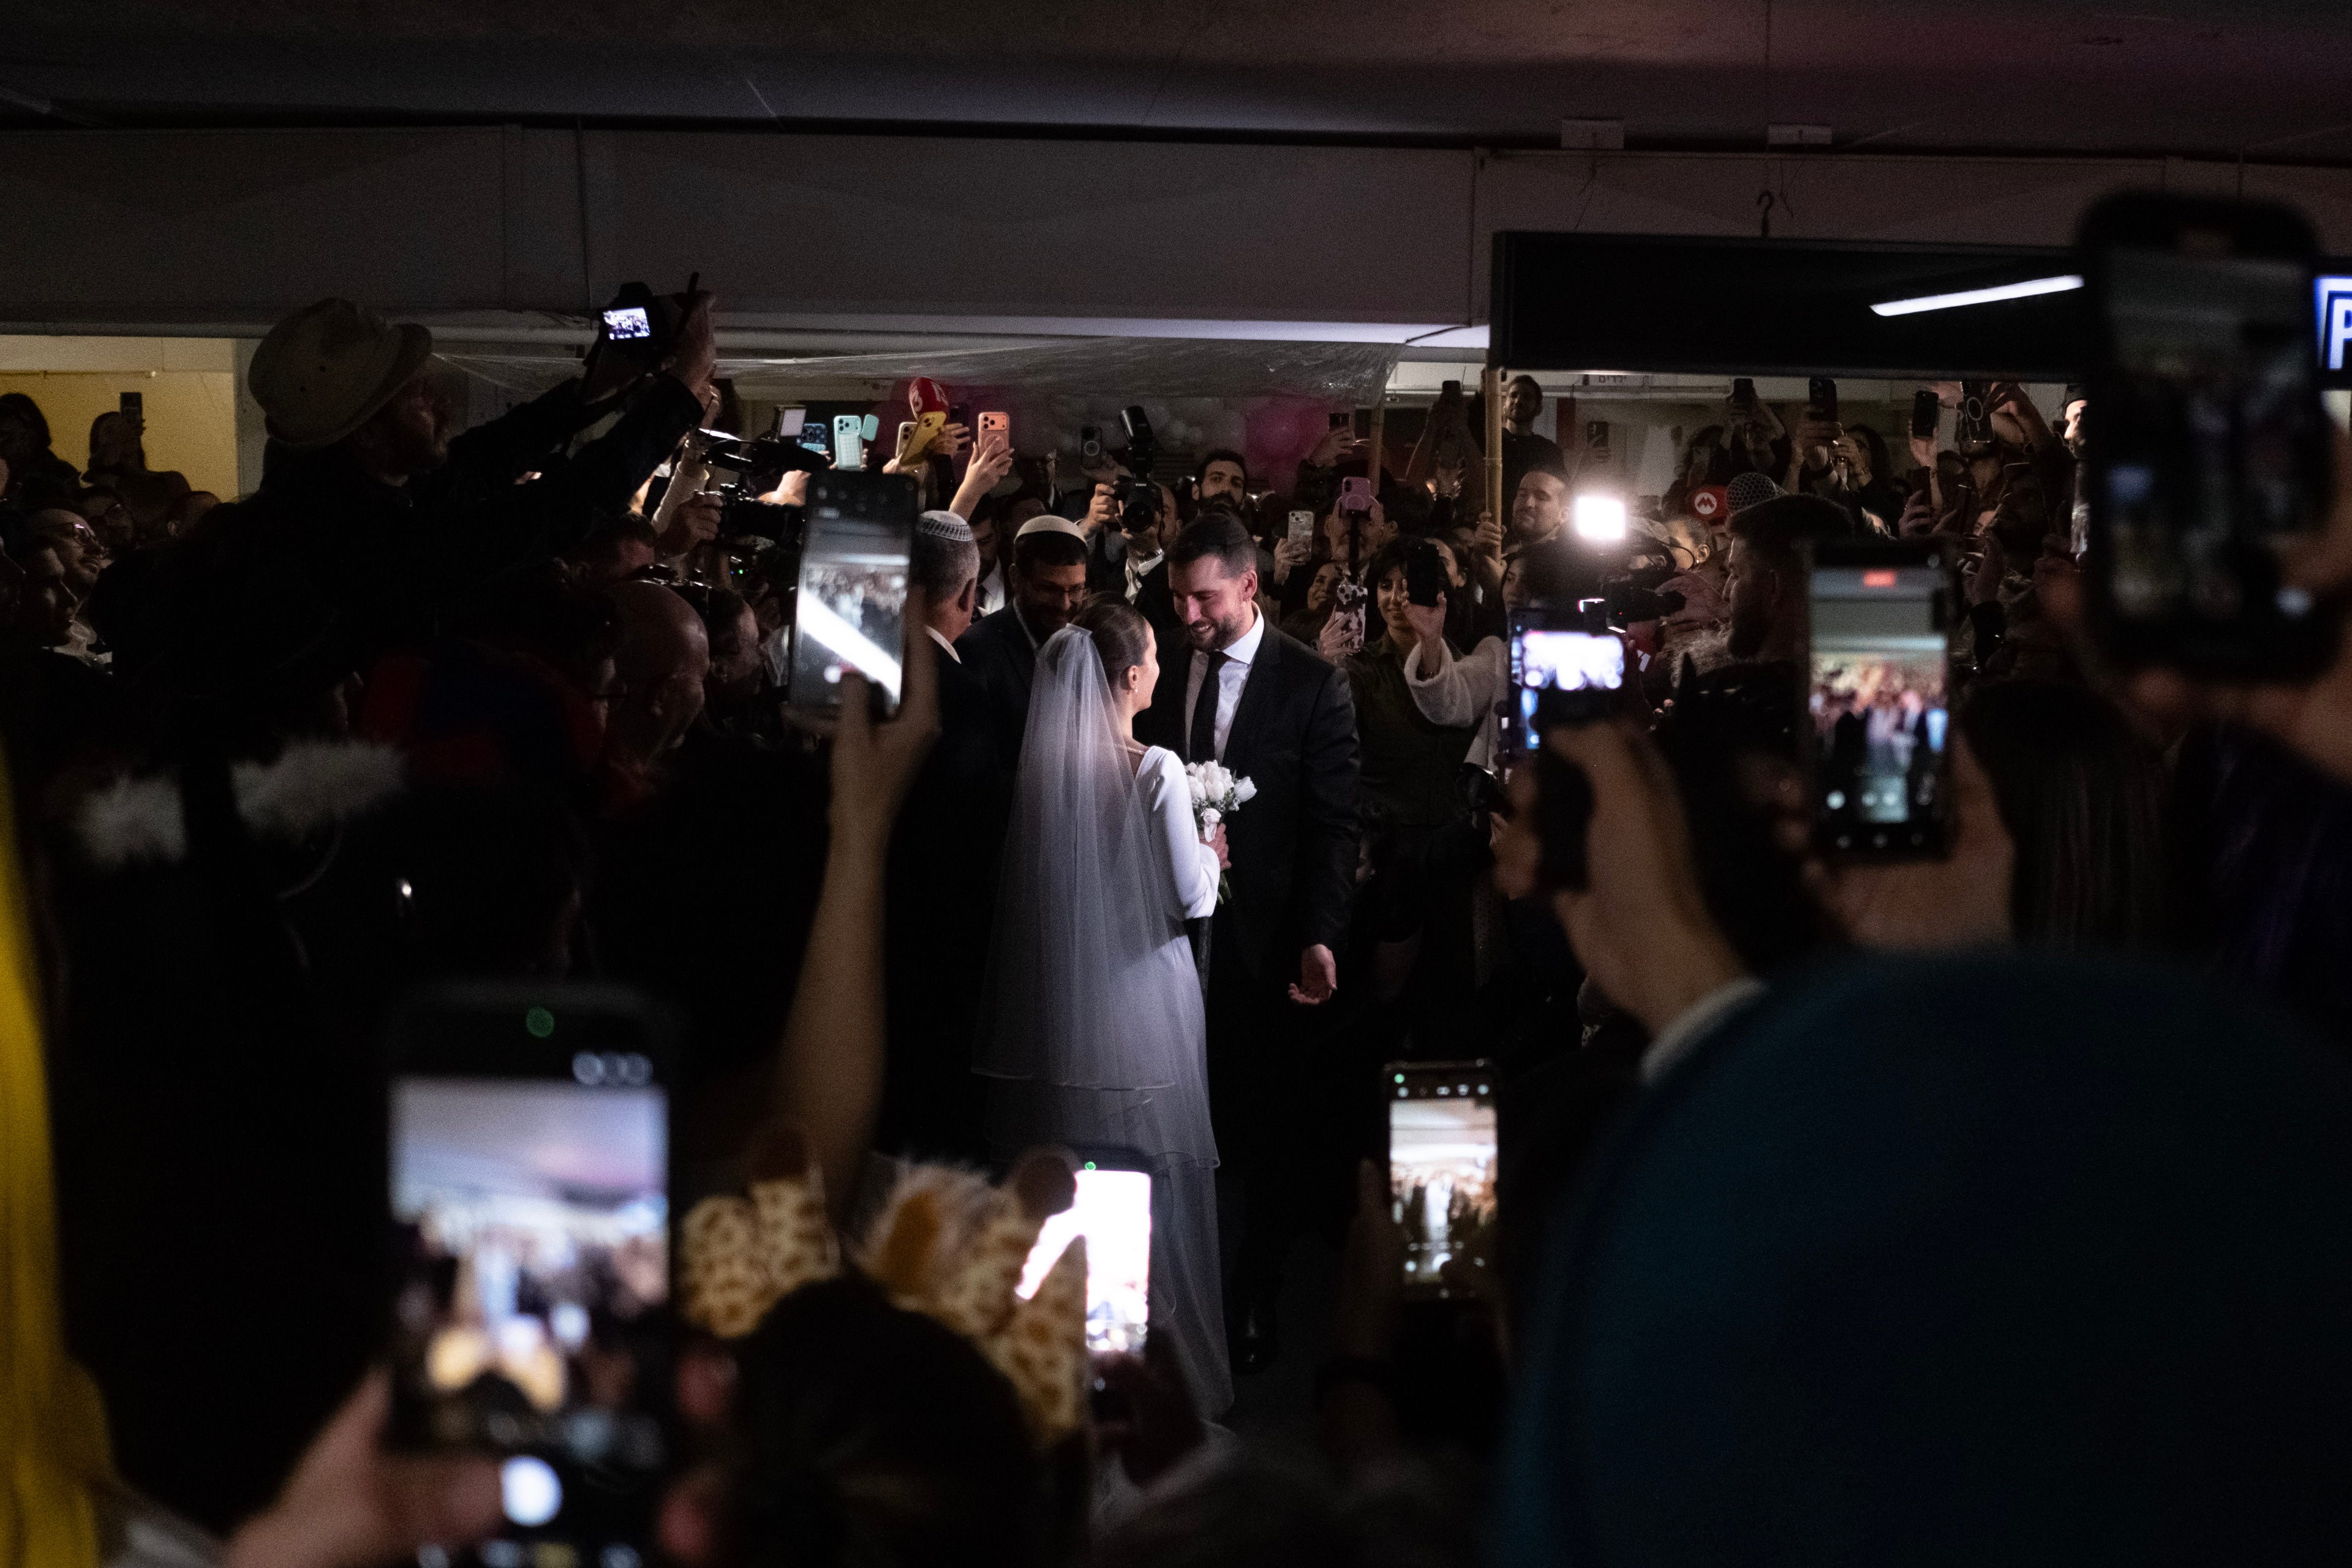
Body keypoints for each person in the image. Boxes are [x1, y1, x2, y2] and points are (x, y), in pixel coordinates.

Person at [105, 296, 710, 745]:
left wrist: (596, 390)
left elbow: (482, 462)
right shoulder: (347, 545)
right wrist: (679, 393)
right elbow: (553, 509)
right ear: (368, 434)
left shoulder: (325, 505)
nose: (437, 402)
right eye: (416, 398)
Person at [978, 598, 1232, 1418]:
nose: (1159, 666)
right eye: (1152, 656)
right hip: (1141, 997)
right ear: (1128, 678)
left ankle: (1066, 1364)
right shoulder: (1153, 768)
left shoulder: (1044, 773)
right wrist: (1212, 845)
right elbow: (1192, 899)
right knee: (1143, 1183)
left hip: (1062, 1002)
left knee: (1071, 1186)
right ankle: (1149, 1378)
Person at [1140, 514, 1359, 1374]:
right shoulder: (1158, 657)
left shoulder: (1310, 683)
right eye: (1177, 597)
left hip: (1264, 938)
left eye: (1204, 597)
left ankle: (1255, 1294)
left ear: (1249, 586)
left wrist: (1321, 936)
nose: (1188, 613)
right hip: (1161, 929)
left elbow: (1334, 824)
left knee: (1267, 1128)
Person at [881, 511, 1006, 1163]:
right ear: (967, 594)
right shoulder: (955, 689)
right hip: (938, 943)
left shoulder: (855, 672)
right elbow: (976, 829)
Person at [957, 514, 1090, 768]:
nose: (1064, 604)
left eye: (1075, 589)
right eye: (1048, 589)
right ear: (1016, 578)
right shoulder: (977, 649)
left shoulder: (1089, 640)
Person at [1498, 374, 1565, 505]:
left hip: (1531, 521)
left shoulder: (1548, 450)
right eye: (1513, 396)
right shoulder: (1490, 444)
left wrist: (1583, 465)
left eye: (1526, 397)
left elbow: (1561, 491)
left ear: (1539, 409)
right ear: (1504, 406)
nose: (1518, 401)